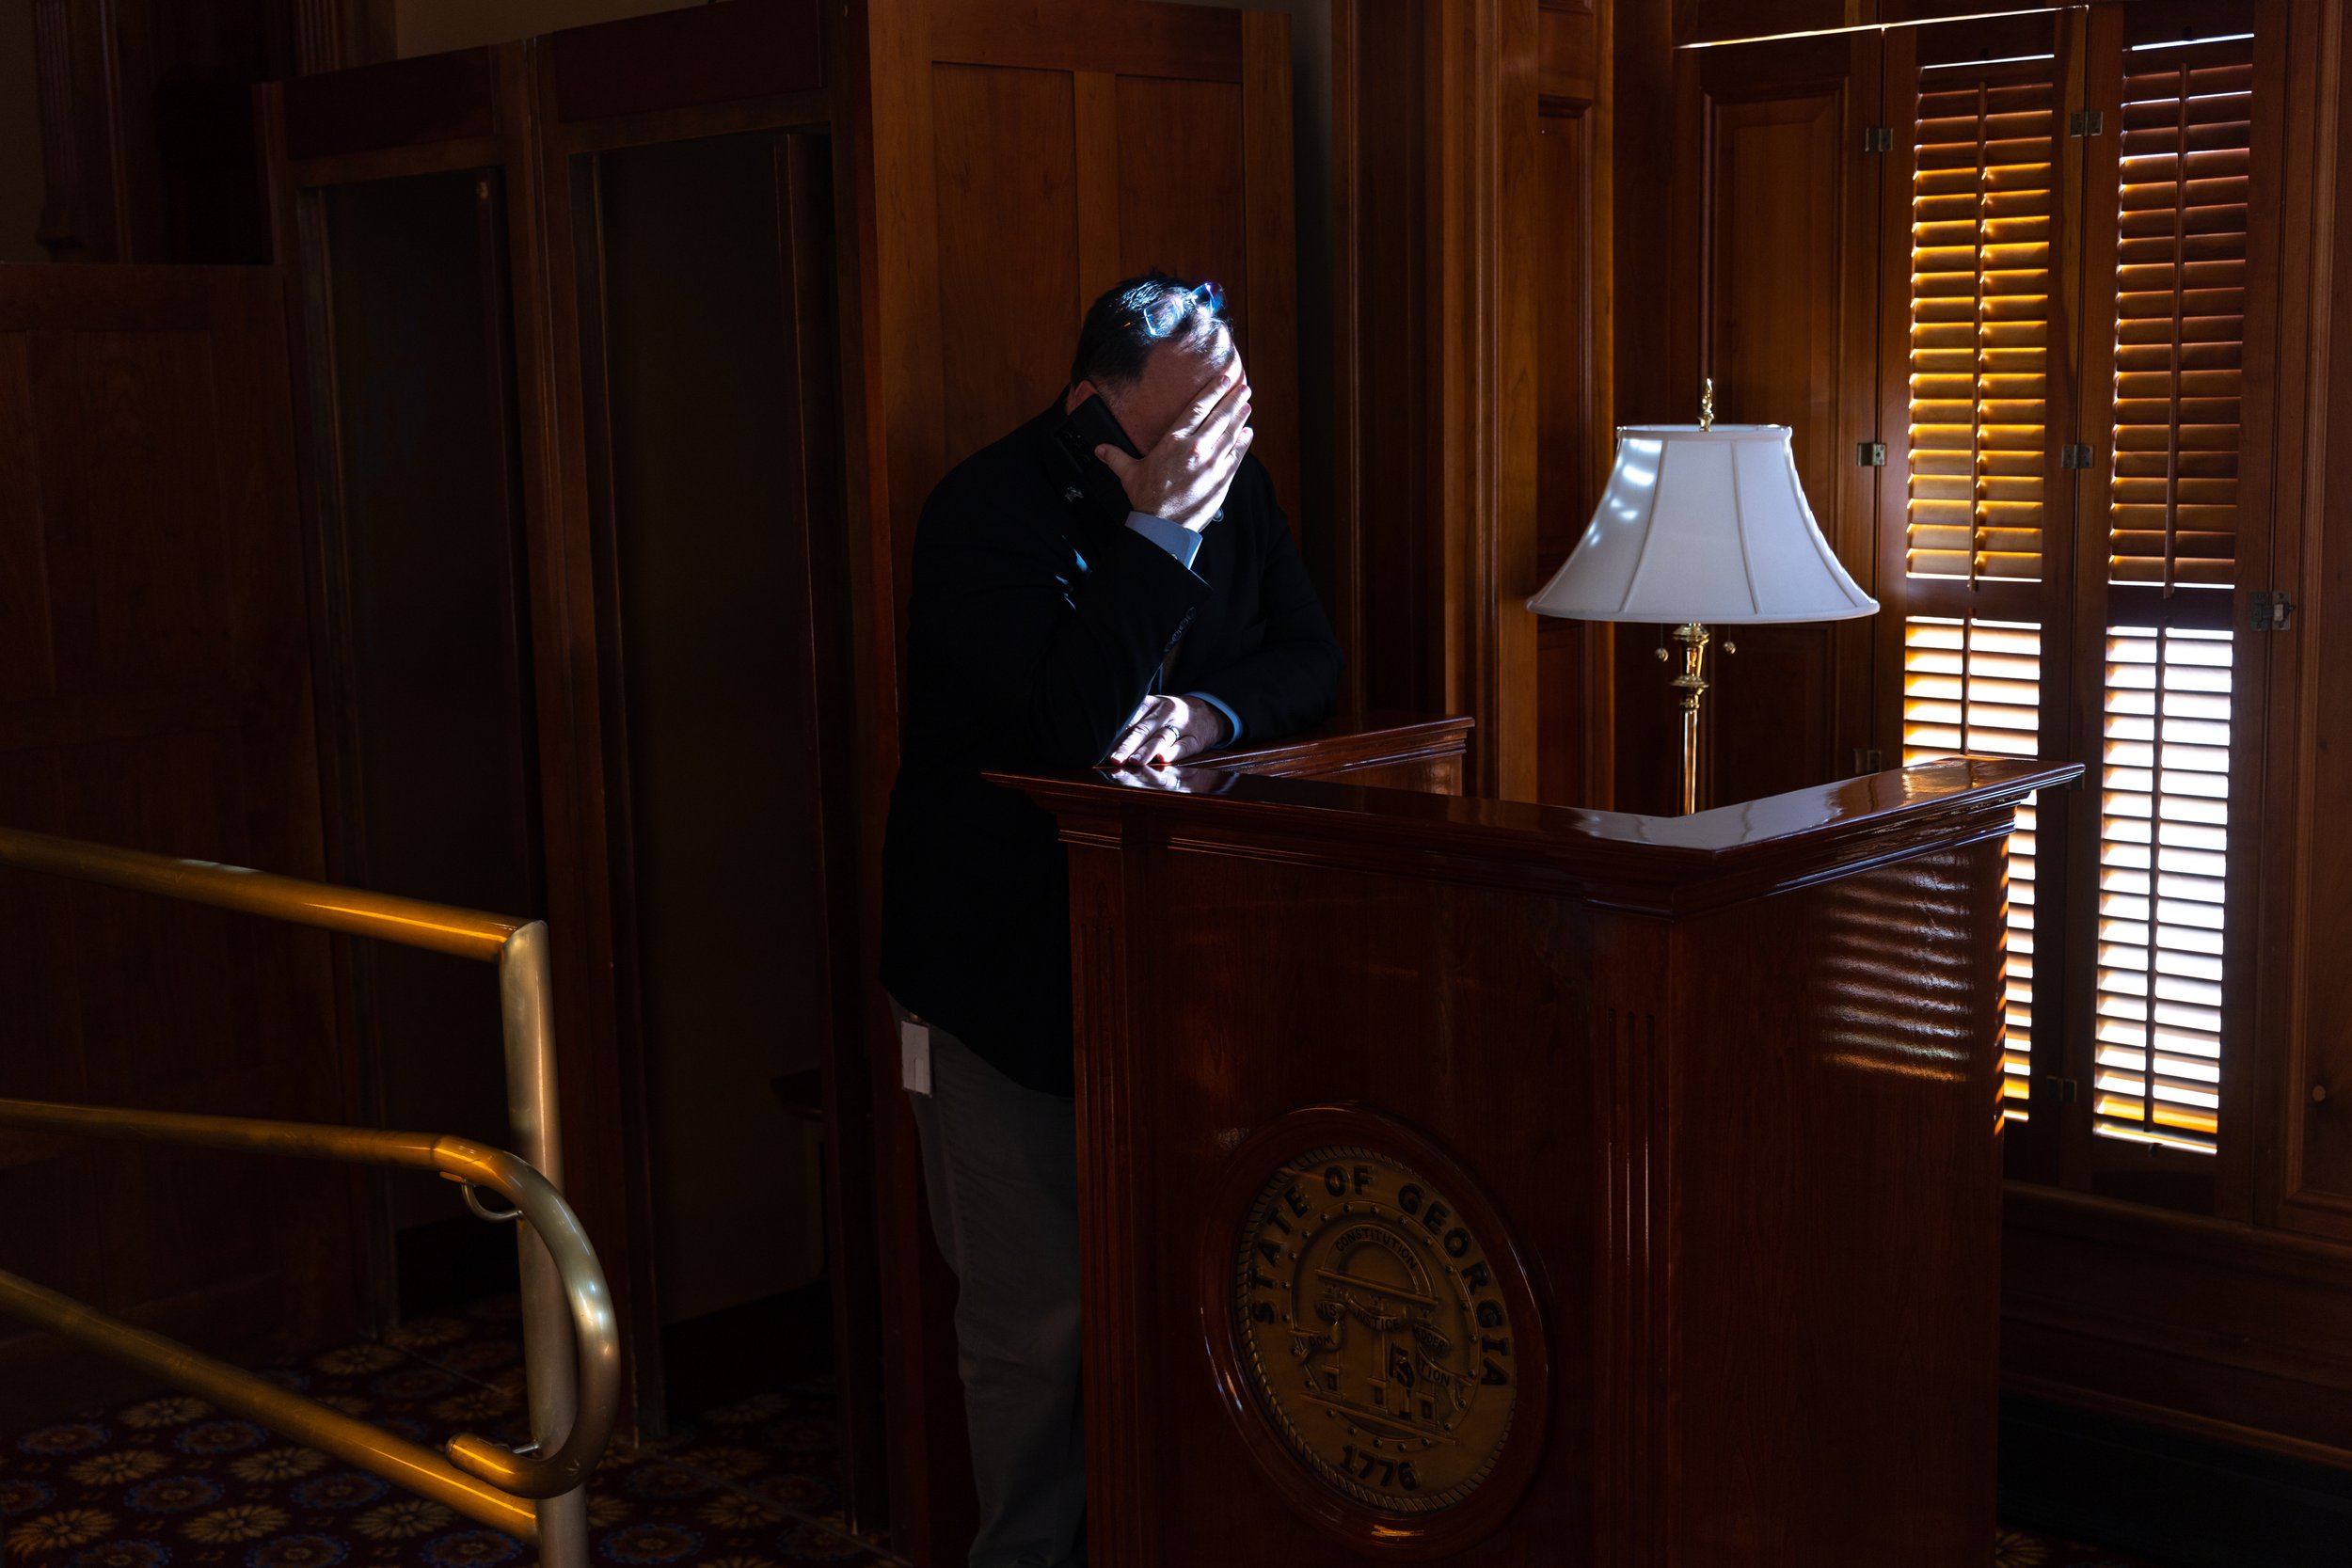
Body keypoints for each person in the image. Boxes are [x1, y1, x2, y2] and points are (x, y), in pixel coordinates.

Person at [880, 272, 1343, 1567]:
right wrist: (1159, 540)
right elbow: (1059, 727)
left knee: (1195, 1309)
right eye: (1201, 412)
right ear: (1098, 399)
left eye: (1239, 409)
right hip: (998, 980)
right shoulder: (983, 510)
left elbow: (1311, 661)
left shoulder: (1230, 485)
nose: (1227, 439)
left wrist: (1208, 716)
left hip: (1187, 977)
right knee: (1035, 1331)